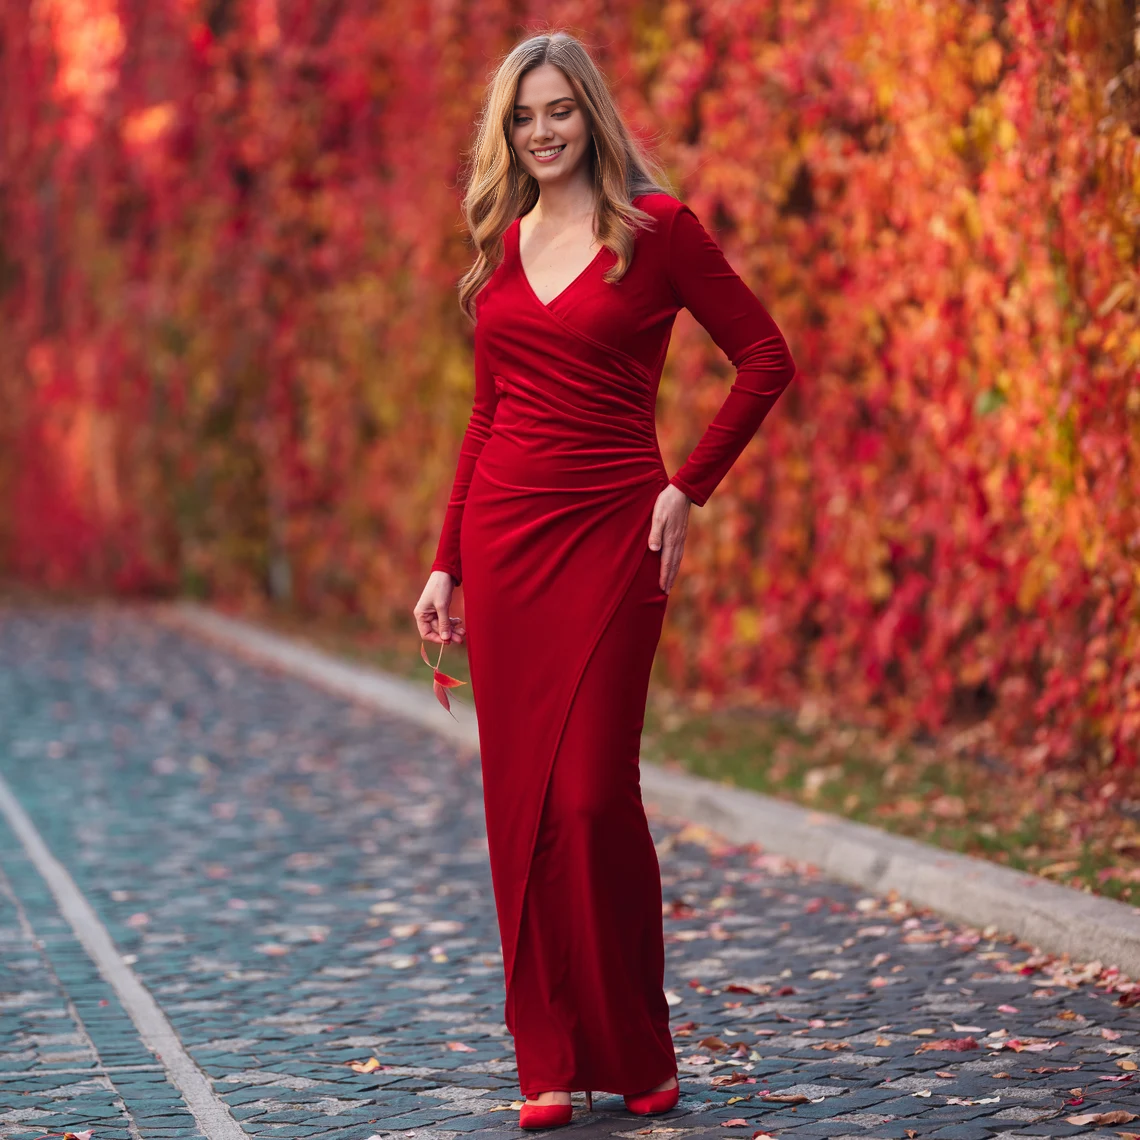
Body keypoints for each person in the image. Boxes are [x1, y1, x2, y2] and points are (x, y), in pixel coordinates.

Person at [412, 29, 796, 1131]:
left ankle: (633, 1041)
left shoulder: (657, 231)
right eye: (522, 116)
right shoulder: (500, 244)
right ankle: (544, 1056)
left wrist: (690, 487)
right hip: (504, 542)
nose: (541, 132)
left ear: (592, 115)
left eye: (558, 111)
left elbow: (765, 356)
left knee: (588, 798)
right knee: (519, 811)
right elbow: (486, 418)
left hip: (618, 536)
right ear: (506, 131)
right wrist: (445, 561)